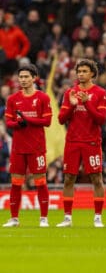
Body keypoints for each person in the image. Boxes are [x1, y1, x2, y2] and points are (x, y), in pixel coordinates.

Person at [56, 59, 106, 228]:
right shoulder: (70, 93)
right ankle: (67, 218)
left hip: (91, 142)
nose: (81, 74)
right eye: (79, 71)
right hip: (72, 142)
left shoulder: (100, 93)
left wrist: (86, 102)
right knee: (68, 179)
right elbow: (61, 119)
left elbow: (101, 120)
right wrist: (72, 106)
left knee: (96, 178)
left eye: (85, 71)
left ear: (92, 73)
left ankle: (98, 217)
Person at [3, 64, 52, 227]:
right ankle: (14, 218)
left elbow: (47, 121)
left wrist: (26, 120)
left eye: (26, 77)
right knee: (16, 183)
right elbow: (9, 122)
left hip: (36, 147)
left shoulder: (43, 98)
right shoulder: (12, 99)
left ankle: (44, 218)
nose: (23, 80)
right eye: (21, 77)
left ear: (34, 78)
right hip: (18, 148)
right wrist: (18, 124)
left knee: (40, 182)